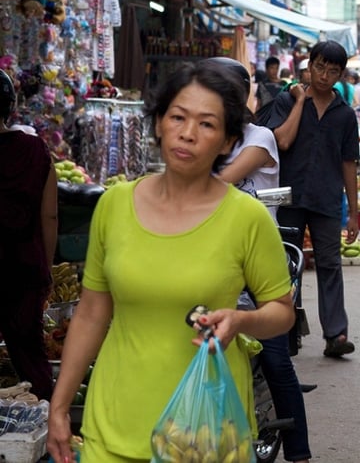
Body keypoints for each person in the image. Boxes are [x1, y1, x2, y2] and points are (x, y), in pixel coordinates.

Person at [47, 62, 295, 462]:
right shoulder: (114, 205)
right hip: (114, 421)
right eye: (177, 117)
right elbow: (92, 311)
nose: (188, 133)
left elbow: (282, 312)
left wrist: (242, 321)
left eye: (207, 124)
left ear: (229, 141)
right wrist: (59, 407)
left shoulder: (245, 218)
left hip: (207, 431)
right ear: (159, 123)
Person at [210, 57, 311, 463]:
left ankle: (300, 451)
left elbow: (219, 183)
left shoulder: (260, 138)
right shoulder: (205, 138)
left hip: (259, 262)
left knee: (273, 359)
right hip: (213, 258)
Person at [257, 41, 360, 359]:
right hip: (289, 196)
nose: (324, 76)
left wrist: (353, 214)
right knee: (288, 266)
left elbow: (348, 164)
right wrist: (300, 101)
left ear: (341, 74)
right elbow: (282, 140)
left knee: (330, 265)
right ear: (309, 64)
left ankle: (335, 334)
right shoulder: (286, 101)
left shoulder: (345, 115)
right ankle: (286, 333)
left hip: (326, 200)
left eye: (332, 71)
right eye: (319, 67)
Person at [0, 69, 56, 403]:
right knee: (30, 355)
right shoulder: (35, 150)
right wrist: (45, 269)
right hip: (23, 269)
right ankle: (48, 424)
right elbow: (49, 215)